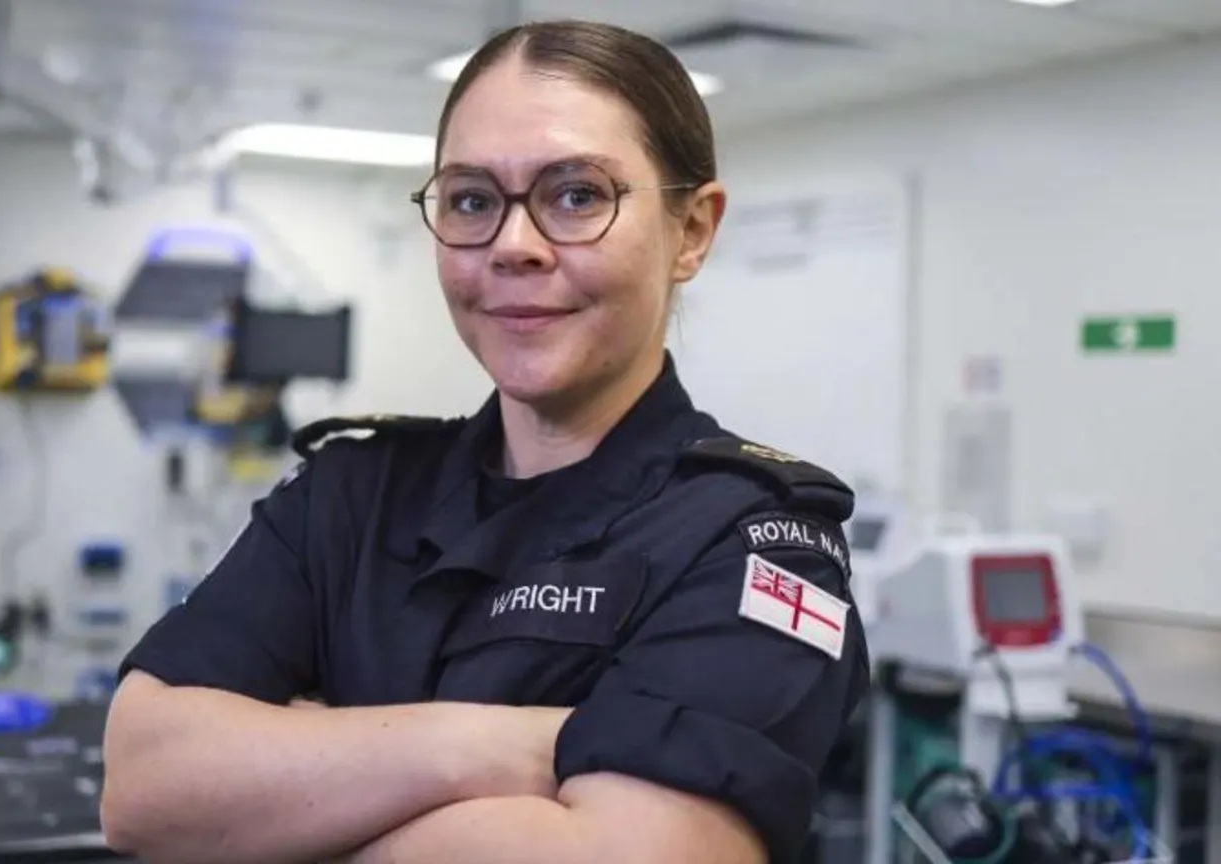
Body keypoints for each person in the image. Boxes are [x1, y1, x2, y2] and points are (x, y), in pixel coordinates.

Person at [101, 18, 869, 864]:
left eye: (577, 195)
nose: (512, 245)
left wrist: (300, 801)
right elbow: (145, 783)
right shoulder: (349, 495)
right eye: (471, 199)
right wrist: (522, 747)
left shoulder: (757, 542)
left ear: (692, 231)